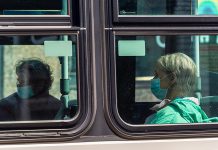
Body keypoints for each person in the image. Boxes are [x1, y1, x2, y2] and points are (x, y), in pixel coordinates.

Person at [145, 52, 218, 124]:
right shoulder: (188, 108)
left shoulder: (170, 116)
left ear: (172, 78)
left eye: (158, 75)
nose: (153, 79)